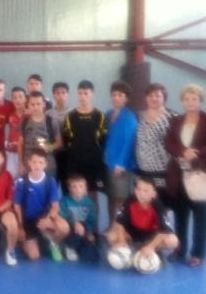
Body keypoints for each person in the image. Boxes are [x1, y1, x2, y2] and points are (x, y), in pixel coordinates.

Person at [164, 84, 206, 267]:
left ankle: (198, 253)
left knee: (201, 216)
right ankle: (179, 249)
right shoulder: (176, 120)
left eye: (194, 99)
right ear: (182, 101)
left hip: (201, 174)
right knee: (180, 215)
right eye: (187, 99)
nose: (190, 102)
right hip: (178, 175)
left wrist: (197, 153)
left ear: (200, 100)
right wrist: (182, 151)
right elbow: (168, 143)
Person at [105, 176, 178, 262]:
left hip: (150, 235)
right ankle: (128, 251)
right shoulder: (129, 201)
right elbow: (120, 222)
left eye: (146, 191)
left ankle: (151, 251)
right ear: (135, 191)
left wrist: (151, 246)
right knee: (111, 236)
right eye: (138, 189)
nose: (141, 194)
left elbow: (164, 231)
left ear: (154, 194)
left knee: (173, 241)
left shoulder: (159, 206)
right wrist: (121, 240)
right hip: (132, 233)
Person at [13, 149, 67, 262]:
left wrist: (47, 219)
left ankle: (53, 244)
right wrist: (20, 227)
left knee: (64, 227)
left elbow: (55, 206)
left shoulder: (50, 181)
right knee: (34, 256)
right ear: (29, 163)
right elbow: (17, 206)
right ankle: (27, 240)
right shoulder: (22, 182)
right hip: (27, 220)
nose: (37, 165)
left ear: (45, 164)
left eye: (40, 162)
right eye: (34, 162)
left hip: (43, 218)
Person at [62, 80, 107, 200]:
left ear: (92, 94)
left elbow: (103, 141)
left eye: (85, 93)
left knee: (92, 196)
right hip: (75, 162)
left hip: (93, 162)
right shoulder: (70, 116)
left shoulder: (100, 116)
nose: (82, 96)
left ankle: (92, 214)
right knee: (75, 195)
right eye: (80, 93)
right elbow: (66, 140)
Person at [104, 81, 138, 225]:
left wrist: (120, 164)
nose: (116, 98)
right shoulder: (108, 114)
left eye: (120, 95)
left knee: (121, 199)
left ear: (126, 98)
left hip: (122, 166)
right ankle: (111, 226)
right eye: (114, 95)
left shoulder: (130, 117)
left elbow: (129, 143)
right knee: (110, 197)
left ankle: (121, 229)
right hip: (108, 163)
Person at [135, 83, 174, 203]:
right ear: (146, 98)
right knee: (144, 206)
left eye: (158, 96)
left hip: (162, 172)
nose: (154, 98)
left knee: (161, 207)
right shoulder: (139, 116)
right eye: (150, 95)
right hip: (142, 171)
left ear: (164, 98)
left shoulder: (172, 118)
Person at [18, 91, 61, 177]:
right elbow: (20, 144)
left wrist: (49, 147)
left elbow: (59, 143)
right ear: (28, 105)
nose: (35, 107)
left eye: (38, 104)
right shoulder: (24, 122)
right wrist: (21, 163)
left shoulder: (51, 121)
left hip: (48, 166)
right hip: (28, 165)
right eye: (32, 104)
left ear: (44, 104)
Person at [59, 174, 99, 262]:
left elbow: (91, 220)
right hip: (69, 229)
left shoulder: (89, 203)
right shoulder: (64, 201)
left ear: (85, 188)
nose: (78, 190)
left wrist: (89, 233)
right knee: (76, 232)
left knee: (91, 256)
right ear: (69, 188)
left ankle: (80, 247)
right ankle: (69, 247)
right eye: (74, 187)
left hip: (83, 230)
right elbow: (62, 216)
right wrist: (74, 223)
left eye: (81, 186)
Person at [47, 82, 70, 190]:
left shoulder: (73, 113)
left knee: (67, 187)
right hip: (53, 155)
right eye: (58, 93)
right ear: (53, 95)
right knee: (52, 186)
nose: (61, 95)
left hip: (69, 155)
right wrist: (48, 148)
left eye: (63, 93)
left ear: (67, 94)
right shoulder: (48, 114)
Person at [5, 87, 27, 179]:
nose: (17, 100)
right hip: (12, 152)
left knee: (25, 178)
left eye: (20, 97)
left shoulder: (29, 115)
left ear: (25, 98)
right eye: (14, 97)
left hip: (25, 152)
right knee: (11, 177)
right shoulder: (10, 115)